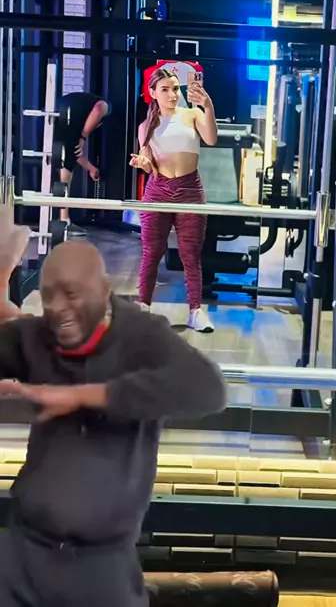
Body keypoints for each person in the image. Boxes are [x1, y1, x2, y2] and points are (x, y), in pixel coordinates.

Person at [0, 204, 227, 607]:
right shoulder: (40, 336)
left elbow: (206, 387)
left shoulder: (142, 336)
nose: (58, 308)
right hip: (24, 553)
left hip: (101, 566)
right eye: (49, 297)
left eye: (71, 295)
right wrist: (2, 273)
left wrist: (82, 396)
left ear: (103, 291)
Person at [130, 68, 217, 333]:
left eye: (175, 89)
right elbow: (149, 164)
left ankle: (195, 311)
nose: (172, 94)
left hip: (190, 189)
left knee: (190, 254)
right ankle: (143, 307)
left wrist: (208, 105)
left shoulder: (193, 114)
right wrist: (143, 163)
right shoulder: (146, 126)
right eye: (165, 89)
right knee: (151, 252)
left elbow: (211, 139)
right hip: (158, 190)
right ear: (153, 93)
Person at [53, 92, 111, 237]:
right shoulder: (106, 106)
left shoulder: (80, 105)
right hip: (64, 118)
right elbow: (99, 108)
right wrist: (83, 137)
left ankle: (63, 219)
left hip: (50, 117)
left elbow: (74, 152)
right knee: (65, 174)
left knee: (63, 165)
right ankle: (64, 221)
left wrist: (91, 169)